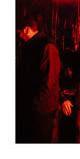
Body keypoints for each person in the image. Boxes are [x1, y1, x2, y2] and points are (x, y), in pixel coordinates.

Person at [17, 13, 61, 143]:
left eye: (19, 32)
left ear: (27, 30)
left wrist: (34, 104)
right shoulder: (31, 46)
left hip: (42, 110)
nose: (18, 36)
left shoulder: (46, 46)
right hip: (33, 107)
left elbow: (48, 80)